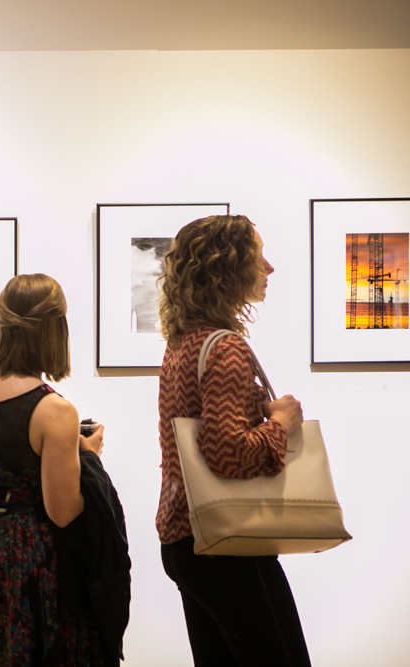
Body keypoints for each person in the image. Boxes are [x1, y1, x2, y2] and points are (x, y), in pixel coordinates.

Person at [155, 214, 310, 667]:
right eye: (259, 255)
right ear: (230, 267)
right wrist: (280, 422)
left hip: (185, 537)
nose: (270, 268)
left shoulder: (182, 343)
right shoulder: (225, 346)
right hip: (227, 545)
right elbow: (228, 453)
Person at [0, 273, 107, 666]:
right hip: (31, 561)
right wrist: (90, 457)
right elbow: (62, 510)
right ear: (55, 331)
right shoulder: (54, 411)